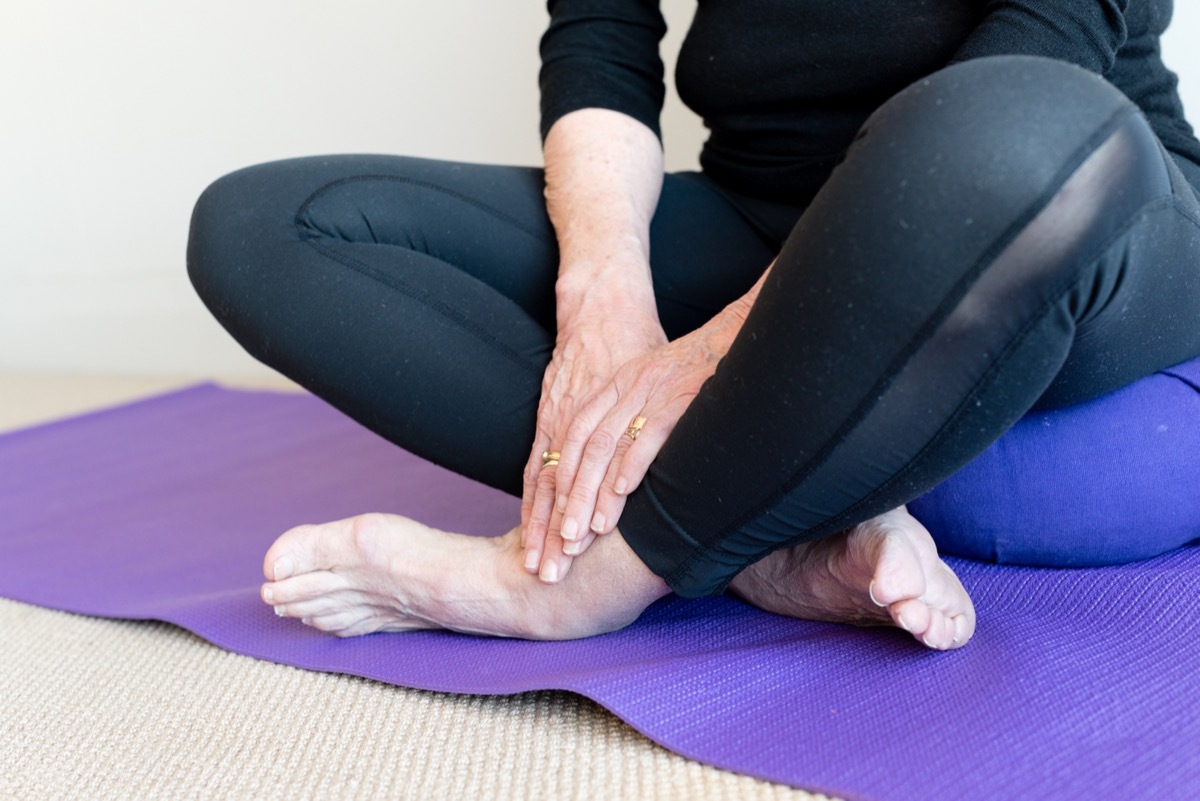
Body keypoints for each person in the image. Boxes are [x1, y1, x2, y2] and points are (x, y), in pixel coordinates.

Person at [187, 1, 1200, 650]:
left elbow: (1056, 40)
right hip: (762, 216)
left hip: (1055, 219)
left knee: (1018, 121)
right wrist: (606, 292)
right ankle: (768, 546)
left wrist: (717, 353)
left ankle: (584, 583)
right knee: (267, 226)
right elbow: (598, 41)